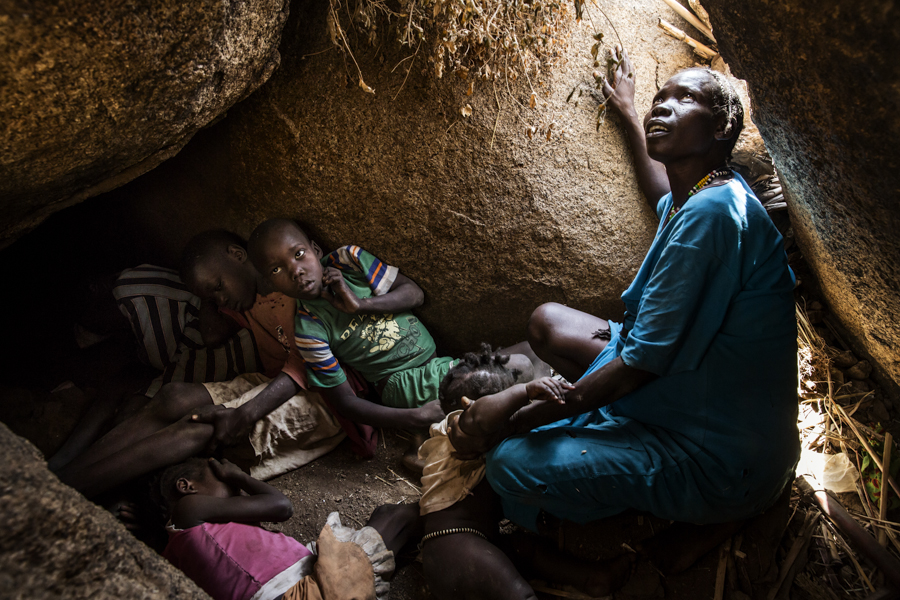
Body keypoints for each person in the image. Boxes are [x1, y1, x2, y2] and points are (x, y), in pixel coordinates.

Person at [449, 47, 800, 574]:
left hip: (721, 453)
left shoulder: (712, 217)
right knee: (548, 322)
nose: (665, 105)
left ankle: (638, 530)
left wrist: (518, 420)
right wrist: (629, 112)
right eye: (662, 96)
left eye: (687, 98)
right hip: (690, 388)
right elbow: (658, 189)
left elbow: (635, 368)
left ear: (724, 125)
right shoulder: (707, 192)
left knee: (510, 467)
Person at [57, 231, 361, 499]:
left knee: (202, 428)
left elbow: (307, 362)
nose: (222, 299)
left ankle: (69, 491)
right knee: (172, 397)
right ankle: (65, 476)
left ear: (238, 255)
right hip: (275, 382)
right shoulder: (246, 300)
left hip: (327, 394)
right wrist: (212, 295)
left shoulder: (296, 285)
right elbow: (212, 334)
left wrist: (244, 414)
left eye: (218, 286)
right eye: (213, 295)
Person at [418, 346, 632, 599]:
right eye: (503, 395)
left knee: (527, 549)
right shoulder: (458, 424)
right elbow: (479, 417)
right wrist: (525, 391)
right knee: (520, 595)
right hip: (456, 545)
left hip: (476, 543)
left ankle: (594, 579)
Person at [48, 264, 258, 472]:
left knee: (138, 409)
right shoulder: (128, 281)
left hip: (214, 347)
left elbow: (165, 356)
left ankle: (81, 472)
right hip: (189, 342)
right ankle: (66, 461)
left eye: (84, 317)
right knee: (121, 383)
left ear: (93, 290)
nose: (91, 326)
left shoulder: (130, 294)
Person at [247, 220, 454, 431]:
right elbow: (344, 402)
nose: (296, 271)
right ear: (271, 284)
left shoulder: (349, 261)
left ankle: (425, 442)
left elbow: (415, 295)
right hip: (402, 383)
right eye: (276, 269)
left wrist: (361, 306)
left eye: (299, 254)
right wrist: (413, 418)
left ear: (316, 250)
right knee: (479, 378)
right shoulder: (309, 331)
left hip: (434, 365)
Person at [160, 457, 419, 600]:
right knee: (394, 515)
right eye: (220, 476)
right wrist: (239, 476)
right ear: (187, 487)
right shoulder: (188, 510)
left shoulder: (185, 548)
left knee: (385, 526)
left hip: (303, 584)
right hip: (296, 593)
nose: (235, 489)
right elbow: (282, 506)